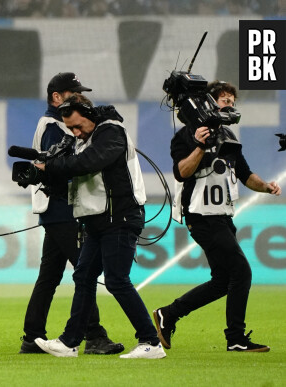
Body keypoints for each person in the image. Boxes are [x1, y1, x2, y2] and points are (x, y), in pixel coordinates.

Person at [22, 93, 165, 359]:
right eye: (71, 128)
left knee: (116, 280)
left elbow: (89, 164)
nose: (75, 132)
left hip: (120, 217)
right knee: (83, 277)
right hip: (98, 220)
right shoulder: (85, 139)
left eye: (78, 126)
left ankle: (151, 342)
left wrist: (51, 167)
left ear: (89, 115)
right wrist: (44, 176)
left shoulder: (111, 131)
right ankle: (70, 342)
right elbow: (80, 178)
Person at [153, 81, 281, 352]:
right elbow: (181, 173)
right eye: (224, 99)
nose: (230, 104)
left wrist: (266, 185)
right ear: (209, 103)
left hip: (222, 216)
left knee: (223, 280)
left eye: (232, 100)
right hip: (201, 215)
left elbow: (245, 175)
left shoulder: (229, 137)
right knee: (241, 271)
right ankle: (235, 338)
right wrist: (200, 146)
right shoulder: (187, 135)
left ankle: (169, 314)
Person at [19, 72, 123, 356]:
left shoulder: (55, 121)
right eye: (72, 94)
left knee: (50, 275)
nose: (78, 99)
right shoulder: (54, 123)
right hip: (61, 206)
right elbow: (62, 164)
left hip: (57, 207)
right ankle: (94, 335)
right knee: (85, 271)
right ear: (57, 97)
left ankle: (32, 336)